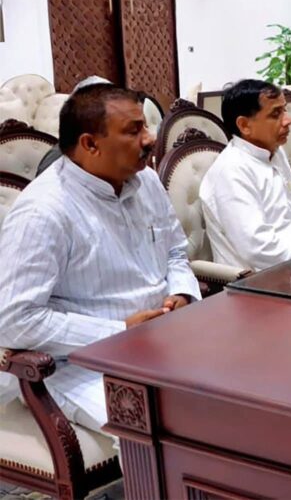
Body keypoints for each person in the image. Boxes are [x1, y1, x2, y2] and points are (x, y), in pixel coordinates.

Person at [0, 84, 200, 439]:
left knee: (241, 396)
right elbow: (15, 320)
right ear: (90, 144)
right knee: (170, 431)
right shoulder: (43, 212)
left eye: (145, 126)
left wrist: (182, 293)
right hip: (80, 365)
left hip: (164, 341)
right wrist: (120, 331)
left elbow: (175, 252)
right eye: (134, 131)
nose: (150, 139)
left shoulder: (146, 181)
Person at [199, 79, 291, 272]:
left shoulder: (275, 152)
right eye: (276, 114)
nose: (288, 120)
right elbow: (258, 250)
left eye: (285, 110)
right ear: (244, 125)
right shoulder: (231, 171)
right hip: (261, 279)